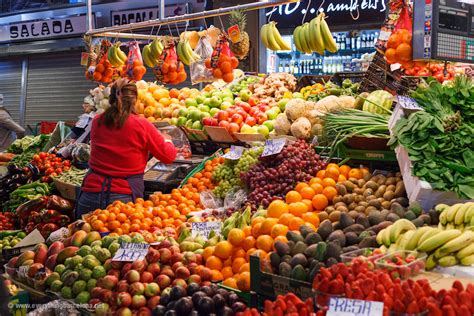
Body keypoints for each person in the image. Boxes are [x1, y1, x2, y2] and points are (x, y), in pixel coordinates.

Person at [76, 79, 177, 218]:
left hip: (89, 195)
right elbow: (168, 155)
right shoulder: (141, 124)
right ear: (134, 100)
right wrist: (167, 140)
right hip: (122, 201)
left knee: (84, 239)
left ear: (111, 97)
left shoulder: (97, 121)